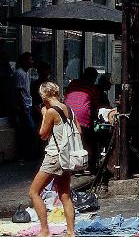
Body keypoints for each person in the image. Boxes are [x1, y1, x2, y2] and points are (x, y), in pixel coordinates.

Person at [29, 82, 76, 237]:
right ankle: (71, 232)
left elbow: (42, 134)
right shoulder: (69, 109)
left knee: (34, 192)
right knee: (65, 194)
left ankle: (44, 230)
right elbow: (78, 131)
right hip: (67, 156)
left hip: (54, 156)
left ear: (44, 96)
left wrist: (44, 114)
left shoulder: (50, 111)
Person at [64, 67, 101, 172]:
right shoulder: (93, 88)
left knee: (70, 141)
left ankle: (70, 164)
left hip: (67, 116)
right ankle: (88, 166)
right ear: (94, 78)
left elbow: (67, 97)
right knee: (88, 141)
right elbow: (95, 106)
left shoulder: (73, 84)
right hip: (82, 118)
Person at [14, 52, 35, 160]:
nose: (32, 62)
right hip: (24, 106)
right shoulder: (19, 73)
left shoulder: (27, 73)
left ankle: (27, 153)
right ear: (24, 61)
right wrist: (23, 107)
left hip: (28, 104)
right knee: (29, 129)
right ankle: (24, 154)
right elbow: (18, 91)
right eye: (29, 60)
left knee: (27, 130)